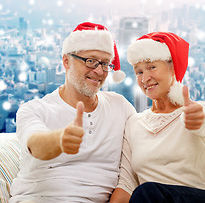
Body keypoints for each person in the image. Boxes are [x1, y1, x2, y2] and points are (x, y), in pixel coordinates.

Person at [10, 22, 137, 203]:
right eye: (91, 61)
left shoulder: (121, 107)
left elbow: (128, 176)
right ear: (66, 61)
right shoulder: (34, 109)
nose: (99, 71)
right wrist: (59, 140)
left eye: (105, 63)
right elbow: (35, 144)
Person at [110, 32, 205, 203]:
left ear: (173, 67)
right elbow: (127, 185)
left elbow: (204, 119)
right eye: (139, 72)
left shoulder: (198, 110)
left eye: (152, 67)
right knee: (146, 193)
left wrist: (197, 118)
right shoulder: (134, 124)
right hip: (154, 199)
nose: (145, 78)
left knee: (148, 192)